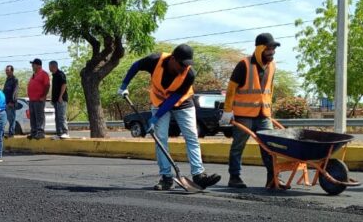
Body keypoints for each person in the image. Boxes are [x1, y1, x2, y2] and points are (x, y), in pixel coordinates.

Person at [118, 44, 221, 190]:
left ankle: (199, 175)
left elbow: (173, 100)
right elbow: (136, 66)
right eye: (182, 64)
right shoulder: (155, 60)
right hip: (159, 102)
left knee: (191, 136)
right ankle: (166, 177)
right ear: (173, 59)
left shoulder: (189, 74)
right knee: (160, 139)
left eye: (187, 65)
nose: (184, 68)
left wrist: (154, 118)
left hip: (183, 103)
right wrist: (124, 85)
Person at [220, 33, 280, 190]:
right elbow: (231, 89)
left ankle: (273, 178)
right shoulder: (244, 65)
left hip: (264, 115)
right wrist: (227, 111)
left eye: (273, 49)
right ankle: (234, 177)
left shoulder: (272, 66)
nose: (272, 52)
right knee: (238, 147)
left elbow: (270, 90)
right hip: (243, 114)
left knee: (270, 147)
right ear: (260, 48)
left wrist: (269, 110)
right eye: (269, 49)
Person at [26, 58, 50, 140]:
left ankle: (40, 132)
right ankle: (34, 132)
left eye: (33, 64)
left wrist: (43, 96)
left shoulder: (43, 74)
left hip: (39, 99)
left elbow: (47, 85)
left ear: (38, 65)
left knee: (39, 116)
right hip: (32, 100)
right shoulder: (34, 74)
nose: (32, 66)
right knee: (32, 116)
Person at [49, 60, 70, 139]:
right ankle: (59, 133)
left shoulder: (60, 74)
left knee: (61, 116)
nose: (49, 68)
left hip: (61, 99)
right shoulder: (54, 75)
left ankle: (65, 132)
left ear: (53, 66)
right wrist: (53, 99)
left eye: (50, 67)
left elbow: (64, 85)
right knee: (57, 117)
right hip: (55, 100)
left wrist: (60, 96)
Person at [2, 65, 19, 138]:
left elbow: (15, 91)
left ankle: (11, 133)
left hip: (11, 103)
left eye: (8, 70)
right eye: (6, 70)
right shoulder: (7, 79)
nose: (6, 72)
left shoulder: (15, 79)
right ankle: (4, 133)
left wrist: (12, 101)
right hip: (5, 103)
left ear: (12, 71)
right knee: (5, 119)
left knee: (12, 119)